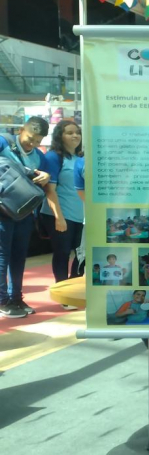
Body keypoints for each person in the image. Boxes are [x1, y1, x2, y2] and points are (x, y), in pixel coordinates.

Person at [0, 117, 50, 317]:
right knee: (2, 256)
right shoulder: (3, 142)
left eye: (38, 141)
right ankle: (3, 301)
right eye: (31, 138)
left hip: (24, 214)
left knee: (19, 257)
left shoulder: (39, 157)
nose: (34, 144)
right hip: (2, 213)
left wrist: (45, 177)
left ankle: (17, 298)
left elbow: (45, 184)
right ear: (21, 130)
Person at [40, 121, 84, 304]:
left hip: (80, 215)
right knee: (63, 253)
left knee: (81, 254)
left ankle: (74, 289)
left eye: (78, 132)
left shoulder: (82, 158)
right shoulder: (53, 157)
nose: (75, 136)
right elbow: (50, 190)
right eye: (69, 132)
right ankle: (63, 291)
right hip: (59, 215)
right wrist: (59, 217)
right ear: (60, 136)